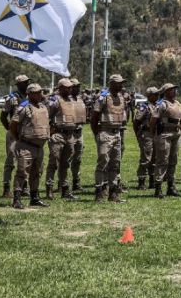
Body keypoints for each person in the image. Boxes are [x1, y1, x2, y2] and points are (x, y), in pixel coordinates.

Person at [9, 83, 51, 209]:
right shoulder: (24, 107)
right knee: (22, 172)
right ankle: (17, 199)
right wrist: (19, 139)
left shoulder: (43, 107)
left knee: (36, 173)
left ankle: (35, 198)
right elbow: (13, 125)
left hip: (39, 147)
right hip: (26, 146)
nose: (40, 95)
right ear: (30, 94)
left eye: (41, 92)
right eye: (37, 93)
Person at [90, 75, 130, 203]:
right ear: (111, 84)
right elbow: (94, 118)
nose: (121, 86)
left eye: (122, 83)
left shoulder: (121, 98)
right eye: (118, 83)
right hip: (105, 132)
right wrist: (97, 134)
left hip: (117, 133)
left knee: (115, 164)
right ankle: (99, 193)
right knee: (103, 163)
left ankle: (113, 194)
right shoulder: (103, 98)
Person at [47, 78, 86, 201]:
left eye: (71, 87)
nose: (70, 89)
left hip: (70, 136)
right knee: (53, 163)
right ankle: (49, 188)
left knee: (65, 164)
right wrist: (50, 132)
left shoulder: (72, 100)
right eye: (67, 87)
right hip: (58, 135)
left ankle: (65, 190)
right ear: (61, 88)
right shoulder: (55, 101)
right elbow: (47, 116)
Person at [149, 83, 181, 198]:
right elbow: (153, 120)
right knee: (162, 161)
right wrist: (154, 134)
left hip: (176, 134)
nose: (174, 91)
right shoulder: (162, 104)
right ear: (165, 92)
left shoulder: (178, 103)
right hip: (164, 134)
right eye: (171, 90)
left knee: (173, 160)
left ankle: (171, 187)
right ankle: (158, 188)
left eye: (174, 89)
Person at [0, 75, 30, 198]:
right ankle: (6, 188)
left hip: (27, 133)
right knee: (11, 160)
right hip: (14, 133)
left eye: (28, 82)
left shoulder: (31, 97)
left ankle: (24, 187)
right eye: (25, 82)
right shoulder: (12, 98)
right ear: (19, 84)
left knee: (25, 160)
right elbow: (3, 116)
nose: (27, 84)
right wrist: (9, 129)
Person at [134, 86, 158, 190]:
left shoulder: (158, 105)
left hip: (156, 134)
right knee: (146, 158)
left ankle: (152, 180)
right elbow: (136, 121)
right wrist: (138, 135)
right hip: (146, 134)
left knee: (155, 158)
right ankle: (141, 181)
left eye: (157, 94)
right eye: (155, 94)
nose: (157, 96)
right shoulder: (144, 106)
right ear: (149, 96)